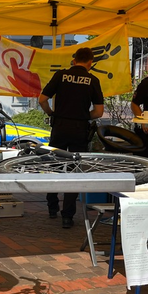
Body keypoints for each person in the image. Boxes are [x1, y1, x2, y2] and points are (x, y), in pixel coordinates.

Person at [38, 47, 104, 229]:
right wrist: (83, 116)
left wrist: (53, 113)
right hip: (79, 129)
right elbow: (99, 112)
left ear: (74, 60)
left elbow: (42, 99)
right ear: (90, 63)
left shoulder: (61, 75)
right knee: (75, 170)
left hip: (59, 126)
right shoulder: (93, 80)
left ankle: (52, 207)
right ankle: (67, 216)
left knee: (54, 167)